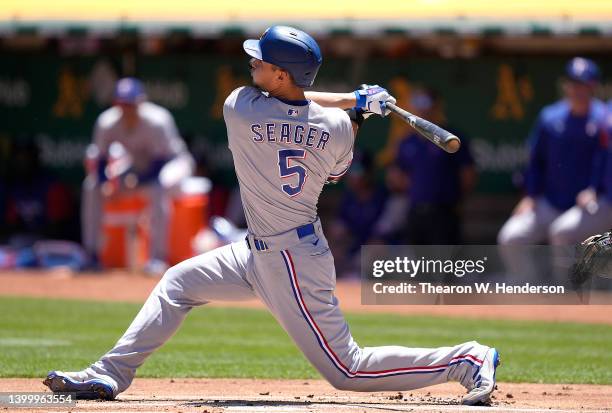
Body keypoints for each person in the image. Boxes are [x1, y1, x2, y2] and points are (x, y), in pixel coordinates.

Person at [44, 26, 498, 406]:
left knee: (346, 370)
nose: (252, 65)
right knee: (178, 283)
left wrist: (351, 100)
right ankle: (109, 373)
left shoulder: (239, 108)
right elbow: (332, 160)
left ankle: (466, 359)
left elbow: (294, 101)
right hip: (260, 250)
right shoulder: (337, 129)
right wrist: (359, 109)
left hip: (291, 260)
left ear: (281, 73)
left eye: (261, 62)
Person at [80, 78, 194, 273]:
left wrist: (134, 181)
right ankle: (92, 253)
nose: (126, 108)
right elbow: (99, 160)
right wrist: (106, 182)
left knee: (160, 186)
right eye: (122, 103)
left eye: (130, 103)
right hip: (137, 168)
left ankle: (157, 258)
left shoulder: (157, 120)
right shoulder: (107, 122)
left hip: (174, 164)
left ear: (141, 102)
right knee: (91, 185)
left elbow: (158, 164)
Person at [498, 57, 608, 246]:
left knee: (562, 233)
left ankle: (564, 277)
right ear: (565, 85)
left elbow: (605, 162)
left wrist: (594, 190)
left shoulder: (605, 118)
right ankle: (527, 277)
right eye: (574, 84)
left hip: (589, 202)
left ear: (593, 87)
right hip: (550, 201)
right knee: (511, 237)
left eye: (583, 85)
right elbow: (535, 161)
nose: (578, 90)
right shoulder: (549, 117)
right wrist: (530, 196)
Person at [396, 88, 476, 244]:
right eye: (416, 103)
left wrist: (456, 202)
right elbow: (398, 175)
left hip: (445, 213)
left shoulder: (451, 138)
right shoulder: (407, 141)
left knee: (443, 265)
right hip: (415, 212)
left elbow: (468, 175)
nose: (420, 108)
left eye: (425, 102)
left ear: (437, 105)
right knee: (418, 265)